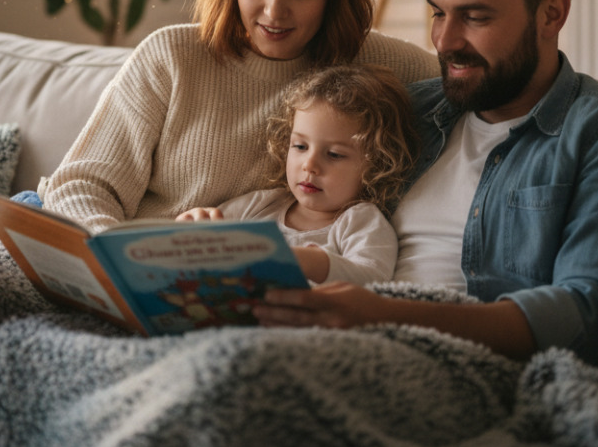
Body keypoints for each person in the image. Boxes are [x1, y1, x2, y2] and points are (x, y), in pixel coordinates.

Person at [253, 0, 598, 366]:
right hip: (334, 344)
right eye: (438, 13)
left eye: (475, 17)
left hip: (463, 366)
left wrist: (382, 315)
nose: (444, 40)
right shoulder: (404, 113)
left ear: (551, 14)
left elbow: (581, 312)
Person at [39, 0, 439, 232]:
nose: (274, 11)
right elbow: (84, 184)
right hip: (129, 252)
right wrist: (111, 249)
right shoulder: (171, 56)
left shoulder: (372, 62)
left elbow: (467, 84)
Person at [177, 64, 419, 286]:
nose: (309, 165)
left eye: (334, 154)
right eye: (300, 147)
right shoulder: (261, 205)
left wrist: (309, 261)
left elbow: (373, 280)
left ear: (378, 164)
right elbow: (210, 242)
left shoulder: (360, 221)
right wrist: (195, 227)